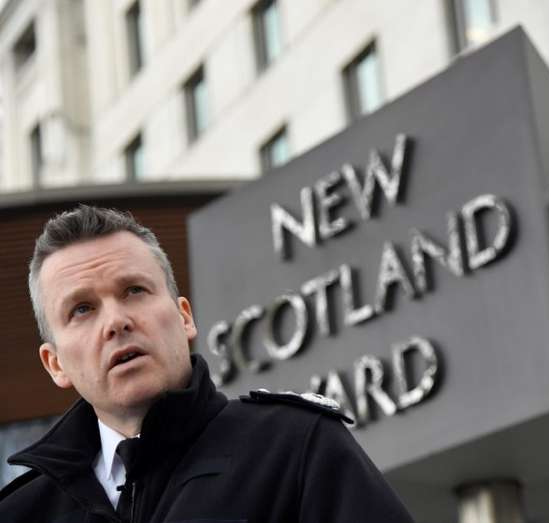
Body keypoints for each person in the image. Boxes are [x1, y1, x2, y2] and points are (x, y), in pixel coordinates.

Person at [0, 204, 414, 522]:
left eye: (134, 291)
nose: (117, 321)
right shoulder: (22, 512)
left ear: (184, 317)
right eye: (83, 309)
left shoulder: (295, 445)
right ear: (54, 363)